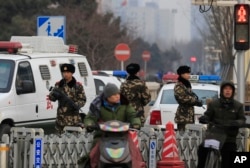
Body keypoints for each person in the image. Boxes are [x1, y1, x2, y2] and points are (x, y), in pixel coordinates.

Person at [82, 82, 143, 167]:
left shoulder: (125, 104)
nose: (117, 96)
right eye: (114, 95)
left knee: (135, 153)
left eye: (118, 93)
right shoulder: (98, 106)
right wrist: (89, 124)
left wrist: (136, 123)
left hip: (122, 136)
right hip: (103, 136)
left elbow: (133, 115)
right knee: (93, 155)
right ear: (107, 97)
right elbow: (90, 118)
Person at [197, 81, 246, 168]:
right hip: (214, 135)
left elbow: (242, 119)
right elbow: (207, 115)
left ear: (233, 91)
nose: (228, 91)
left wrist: (237, 123)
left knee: (228, 159)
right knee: (202, 149)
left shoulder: (238, 106)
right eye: (225, 89)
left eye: (230, 89)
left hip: (229, 138)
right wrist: (204, 118)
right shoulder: (214, 104)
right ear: (222, 91)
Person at [48, 63, 86, 134]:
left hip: (73, 120)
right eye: (64, 72)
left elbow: (83, 99)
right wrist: (54, 95)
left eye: (68, 72)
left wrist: (76, 105)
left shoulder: (78, 86)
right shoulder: (59, 85)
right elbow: (51, 98)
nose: (65, 74)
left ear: (72, 73)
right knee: (58, 141)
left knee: (73, 141)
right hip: (60, 119)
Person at [174, 65, 203, 132]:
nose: (189, 75)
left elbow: (190, 95)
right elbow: (182, 98)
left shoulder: (186, 84)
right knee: (182, 136)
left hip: (189, 116)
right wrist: (195, 101)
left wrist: (196, 101)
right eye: (187, 73)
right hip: (183, 117)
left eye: (189, 73)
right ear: (182, 74)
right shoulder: (179, 85)